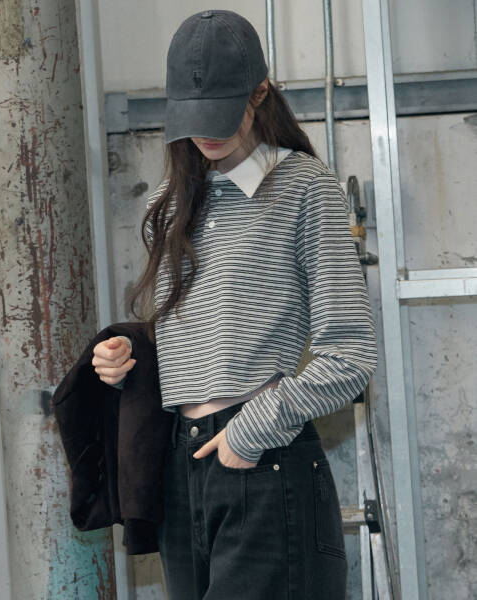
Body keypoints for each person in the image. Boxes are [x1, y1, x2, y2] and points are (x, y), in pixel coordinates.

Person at [91, 9, 377, 600]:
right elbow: (201, 334)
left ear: (260, 94)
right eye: (193, 117)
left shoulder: (304, 187)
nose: (207, 133)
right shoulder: (173, 201)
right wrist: (130, 358)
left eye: (222, 112)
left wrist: (250, 432)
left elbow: (350, 356)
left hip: (262, 459)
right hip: (180, 466)